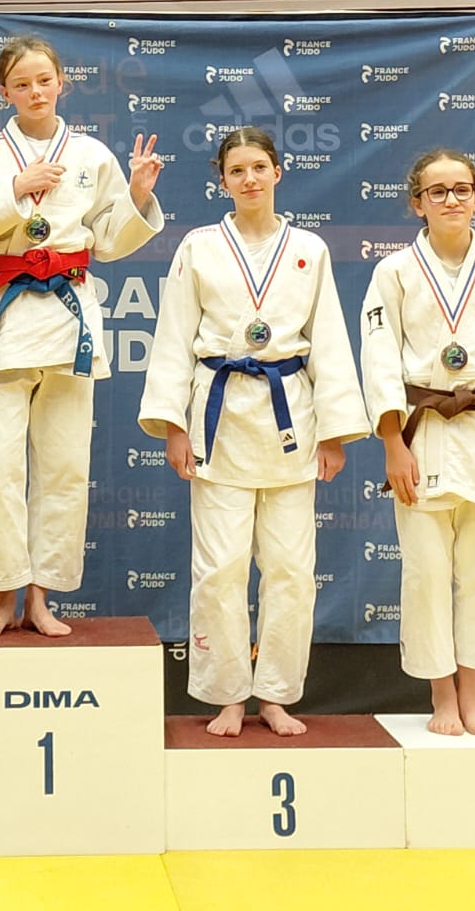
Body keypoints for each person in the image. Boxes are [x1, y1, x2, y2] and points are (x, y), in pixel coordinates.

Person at [139, 127, 368, 736]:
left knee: (291, 569)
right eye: (237, 170)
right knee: (220, 568)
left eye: (259, 167)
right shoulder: (198, 247)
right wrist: (173, 426)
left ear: (277, 173)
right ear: (222, 181)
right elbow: (173, 338)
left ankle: (276, 694)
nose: (249, 179)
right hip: (217, 420)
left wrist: (335, 431)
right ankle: (228, 694)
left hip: (290, 418)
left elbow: (329, 341)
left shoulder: (309, 248)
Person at [0, 34, 164, 638]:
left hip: (69, 320)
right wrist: (15, 188)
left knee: (63, 468)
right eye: (22, 83)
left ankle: (40, 597)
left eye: (44, 80)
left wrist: (137, 195)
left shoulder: (91, 154)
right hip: (7, 322)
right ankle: (2, 599)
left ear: (62, 82)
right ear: (3, 92)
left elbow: (108, 241)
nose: (35, 92)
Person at [360, 148, 475, 736]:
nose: (451, 200)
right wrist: (393, 442)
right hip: (423, 436)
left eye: (461, 189)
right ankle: (441, 697)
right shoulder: (393, 272)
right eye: (437, 191)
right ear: (417, 203)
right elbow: (379, 360)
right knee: (425, 573)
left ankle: (472, 694)